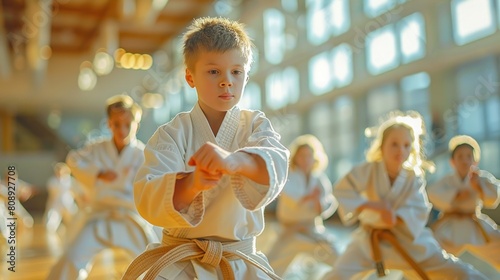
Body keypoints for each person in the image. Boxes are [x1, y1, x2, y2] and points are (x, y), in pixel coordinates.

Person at [121, 17, 289, 280]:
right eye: (214, 71)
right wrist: (192, 183)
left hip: (239, 261)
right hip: (179, 263)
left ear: (246, 74)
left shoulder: (255, 125)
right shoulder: (171, 135)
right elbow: (147, 195)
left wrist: (236, 162)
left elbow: (276, 163)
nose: (226, 81)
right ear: (190, 77)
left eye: (236, 71)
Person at [323, 111, 487, 280]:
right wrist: (375, 206)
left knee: (460, 273)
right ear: (382, 146)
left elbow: (420, 209)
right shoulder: (368, 170)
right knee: (337, 275)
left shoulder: (413, 177)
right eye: (394, 144)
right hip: (369, 242)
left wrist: (396, 218)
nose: (401, 150)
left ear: (413, 148)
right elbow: (342, 190)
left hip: (410, 242)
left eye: (406, 145)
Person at [47, 95, 159, 279]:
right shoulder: (97, 148)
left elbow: (156, 183)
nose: (122, 130)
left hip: (131, 217)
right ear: (109, 124)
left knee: (154, 265)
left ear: (136, 124)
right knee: (71, 259)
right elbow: (72, 160)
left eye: (127, 124)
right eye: (116, 124)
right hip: (99, 215)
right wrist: (97, 172)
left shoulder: (143, 155)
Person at [267, 134, 338, 277]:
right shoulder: (288, 177)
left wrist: (317, 200)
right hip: (290, 232)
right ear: (295, 158)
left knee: (339, 260)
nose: (305, 160)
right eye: (302, 156)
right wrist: (308, 198)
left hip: (313, 231)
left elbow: (327, 204)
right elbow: (291, 197)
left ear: (315, 158)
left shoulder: (319, 179)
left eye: (309, 156)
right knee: (269, 267)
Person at [427, 135, 500, 254]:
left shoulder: (480, 178)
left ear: (476, 161)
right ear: (452, 162)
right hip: (449, 223)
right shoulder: (447, 180)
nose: (465, 160)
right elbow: (431, 193)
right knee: (433, 252)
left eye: (469, 156)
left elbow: (493, 198)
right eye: (460, 156)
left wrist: (479, 188)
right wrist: (455, 195)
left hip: (474, 221)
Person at [43, 162, 86, 234]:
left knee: (75, 224)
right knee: (50, 225)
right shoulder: (52, 181)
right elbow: (52, 196)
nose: (59, 172)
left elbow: (76, 193)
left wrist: (81, 203)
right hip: (56, 206)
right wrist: (49, 208)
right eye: (58, 170)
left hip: (68, 205)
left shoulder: (70, 181)